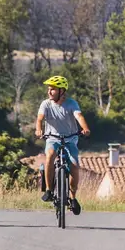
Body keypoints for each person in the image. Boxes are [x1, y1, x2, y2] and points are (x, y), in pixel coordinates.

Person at [35, 75, 89, 215]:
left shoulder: (72, 103)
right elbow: (40, 119)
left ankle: (73, 198)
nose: (49, 92)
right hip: (52, 139)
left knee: (74, 165)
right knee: (50, 156)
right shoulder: (45, 104)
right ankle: (48, 190)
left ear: (62, 91)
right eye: (49, 89)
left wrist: (85, 128)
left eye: (52, 89)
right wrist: (38, 129)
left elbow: (79, 116)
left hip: (70, 139)